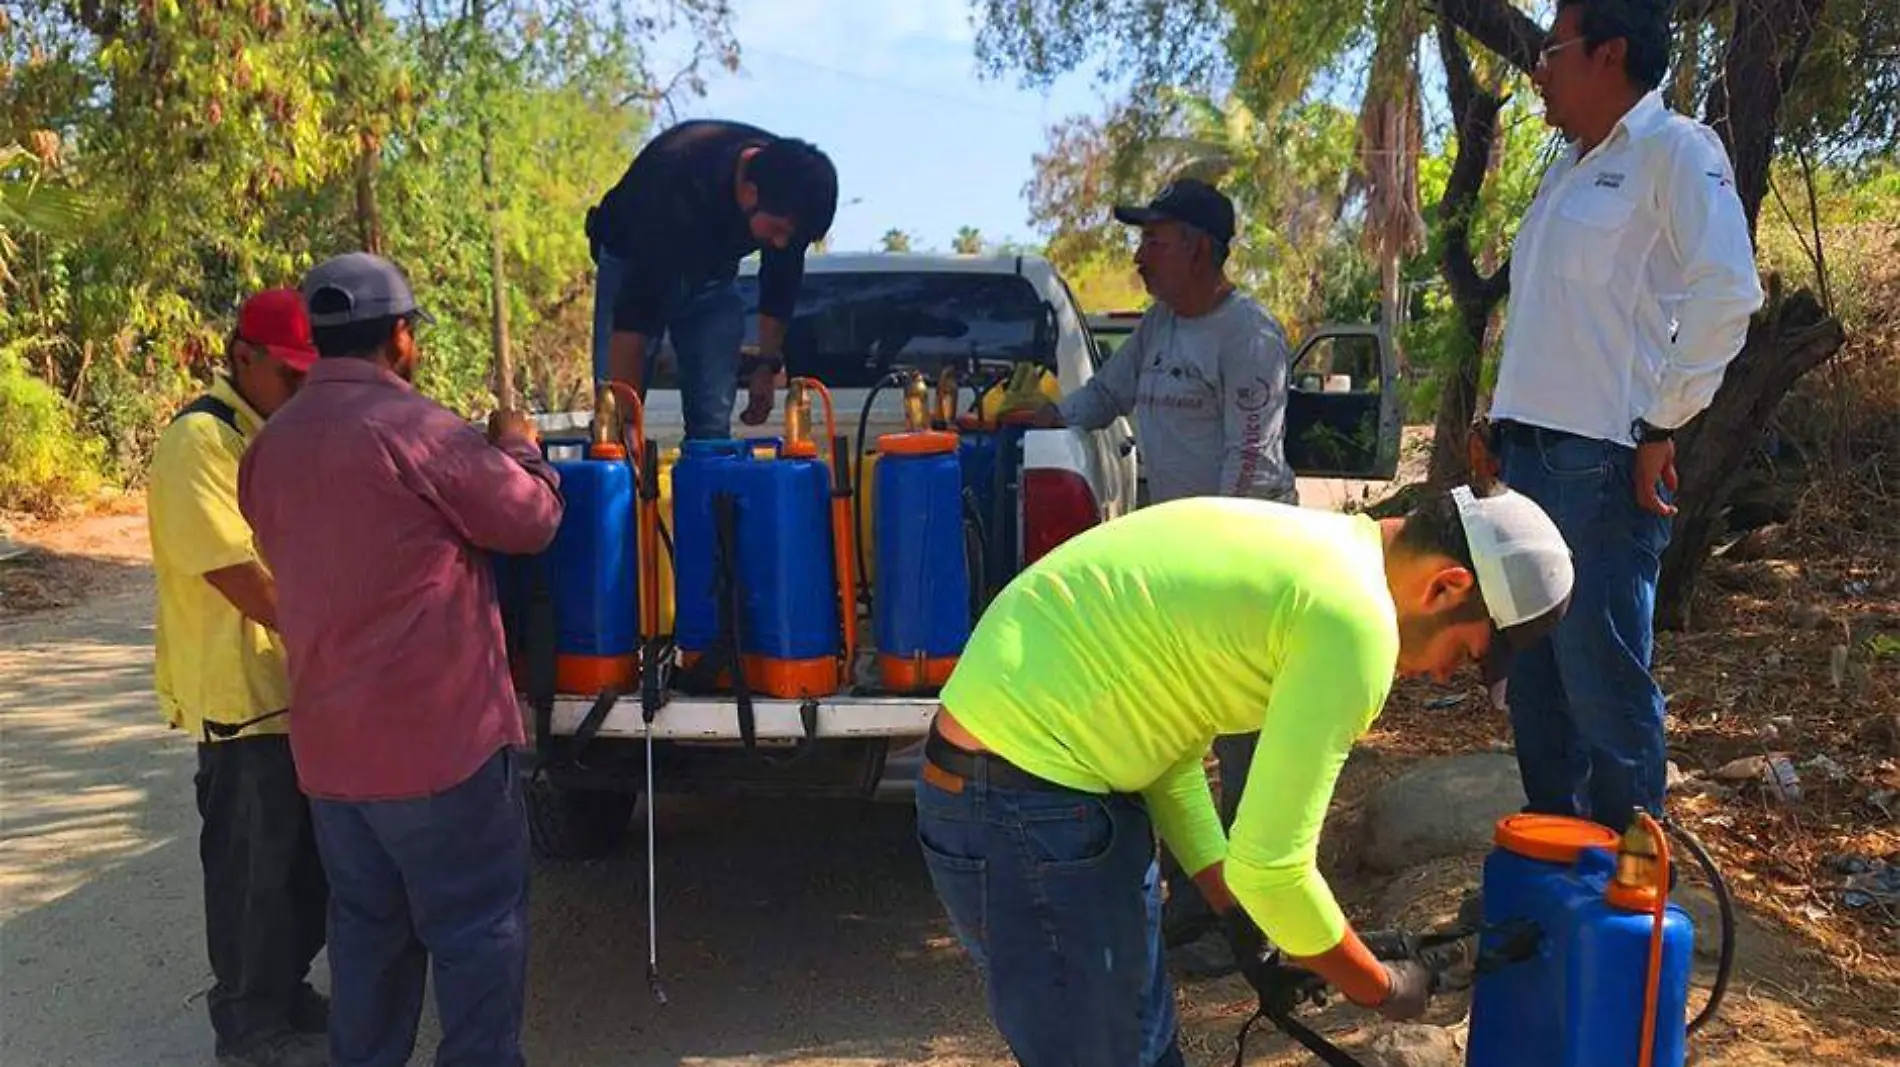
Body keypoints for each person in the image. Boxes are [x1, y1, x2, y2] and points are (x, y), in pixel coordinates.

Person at [916, 485, 1575, 1067]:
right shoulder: (1356, 623)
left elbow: (1168, 751)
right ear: (1447, 585)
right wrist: (1380, 987)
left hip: (1030, 787)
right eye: (1462, 653)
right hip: (1027, 798)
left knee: (1144, 1047)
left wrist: (1237, 917)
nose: (1439, 675)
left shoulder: (1319, 550)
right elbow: (1275, 868)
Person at [238, 253, 564, 1067]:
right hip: (441, 750)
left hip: (332, 756)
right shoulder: (417, 429)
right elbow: (529, 522)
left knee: (368, 942)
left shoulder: (268, 447)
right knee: (476, 934)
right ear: (403, 338)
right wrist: (522, 450)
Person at [1474, 0, 1763, 832]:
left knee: (1600, 679)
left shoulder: (1675, 152)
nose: (1539, 70)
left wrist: (1661, 422)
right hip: (1525, 465)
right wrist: (1496, 419)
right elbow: (1548, 318)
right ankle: (1558, 880)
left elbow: (1727, 294)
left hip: (1600, 464)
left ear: (1608, 54)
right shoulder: (1565, 170)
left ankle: (1631, 891)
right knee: (1535, 688)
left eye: (1552, 49)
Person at [1026, 177, 1299, 966]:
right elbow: (1106, 395)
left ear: (1201, 250)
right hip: (1186, 563)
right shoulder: (1159, 326)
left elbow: (1249, 462)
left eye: (1155, 238)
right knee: (1179, 733)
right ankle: (1192, 898)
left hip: (1239, 563)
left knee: (1245, 739)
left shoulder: (1249, 338)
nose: (1140, 254)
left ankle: (1247, 917)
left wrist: (1203, 565)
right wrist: (1045, 419)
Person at [148, 289, 329, 1067]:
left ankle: (284, 992)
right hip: (241, 696)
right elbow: (244, 580)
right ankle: (250, 1027)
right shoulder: (202, 442)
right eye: (288, 376)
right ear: (240, 357)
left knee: (300, 869)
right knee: (253, 871)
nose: (300, 392)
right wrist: (347, 640)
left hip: (298, 690)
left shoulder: (277, 433)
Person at [587, 119, 839, 440]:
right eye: (776, 231)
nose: (780, 244)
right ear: (750, 192)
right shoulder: (673, 183)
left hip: (713, 278)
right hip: (630, 261)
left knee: (711, 423)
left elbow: (781, 281)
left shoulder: (790, 188)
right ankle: (616, 458)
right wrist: (627, 424)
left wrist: (767, 364)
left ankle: (710, 479)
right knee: (614, 423)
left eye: (792, 237)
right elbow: (633, 318)